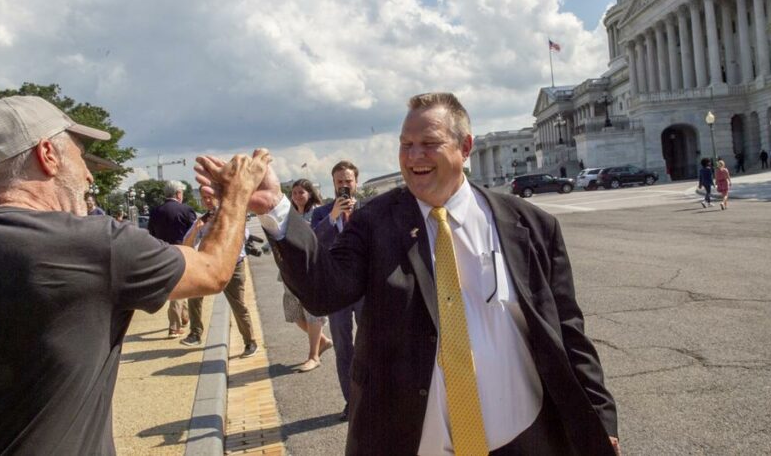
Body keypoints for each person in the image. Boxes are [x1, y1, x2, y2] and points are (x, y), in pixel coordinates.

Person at [210, 93, 619, 455]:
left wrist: (601, 420)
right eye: (406, 145)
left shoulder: (530, 226)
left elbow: (568, 330)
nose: (413, 156)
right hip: (409, 440)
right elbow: (324, 291)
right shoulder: (374, 222)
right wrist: (276, 209)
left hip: (525, 436)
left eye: (429, 144)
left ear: (466, 147)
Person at [0, 95, 266, 454]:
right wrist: (237, 195)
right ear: (47, 155)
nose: (89, 174)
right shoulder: (97, 245)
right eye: (79, 154)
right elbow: (212, 271)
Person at [311, 160, 365, 420]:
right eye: (339, 182)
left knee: (371, 343)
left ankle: (374, 398)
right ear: (333, 183)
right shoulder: (321, 213)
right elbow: (314, 243)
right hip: (337, 290)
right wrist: (333, 217)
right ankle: (351, 402)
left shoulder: (368, 210)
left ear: (356, 182)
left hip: (365, 288)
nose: (344, 185)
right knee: (344, 347)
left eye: (348, 181)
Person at [179, 192, 259, 358]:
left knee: (238, 304)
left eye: (210, 197)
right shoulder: (202, 220)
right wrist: (196, 229)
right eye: (204, 197)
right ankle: (195, 333)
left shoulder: (231, 216)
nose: (207, 201)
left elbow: (241, 238)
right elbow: (187, 244)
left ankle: (250, 341)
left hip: (231, 266)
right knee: (193, 296)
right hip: (208, 267)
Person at [282, 179, 333, 371]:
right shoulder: (289, 214)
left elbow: (319, 235)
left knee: (313, 311)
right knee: (294, 313)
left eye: (301, 192)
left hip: (311, 269)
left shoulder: (317, 212)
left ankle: (313, 356)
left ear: (310, 193)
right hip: (290, 269)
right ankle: (323, 341)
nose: (297, 196)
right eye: (294, 193)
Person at [148, 180, 199, 337]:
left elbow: (151, 233)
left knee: (175, 284)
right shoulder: (186, 210)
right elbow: (196, 231)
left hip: (163, 251)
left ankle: (184, 317)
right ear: (178, 193)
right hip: (183, 251)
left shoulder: (156, 211)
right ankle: (174, 326)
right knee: (180, 286)